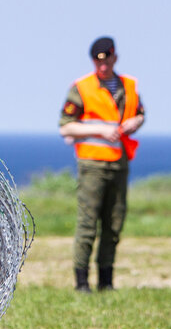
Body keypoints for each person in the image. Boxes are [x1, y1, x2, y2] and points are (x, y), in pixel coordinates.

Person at [59, 37, 145, 292]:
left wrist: (136, 122)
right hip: (92, 164)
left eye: (106, 60)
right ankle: (82, 283)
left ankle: (106, 282)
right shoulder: (82, 87)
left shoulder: (129, 85)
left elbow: (141, 112)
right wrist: (99, 131)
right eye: (98, 62)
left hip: (119, 163)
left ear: (114, 58)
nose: (103, 66)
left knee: (114, 223)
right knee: (88, 224)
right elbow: (66, 125)